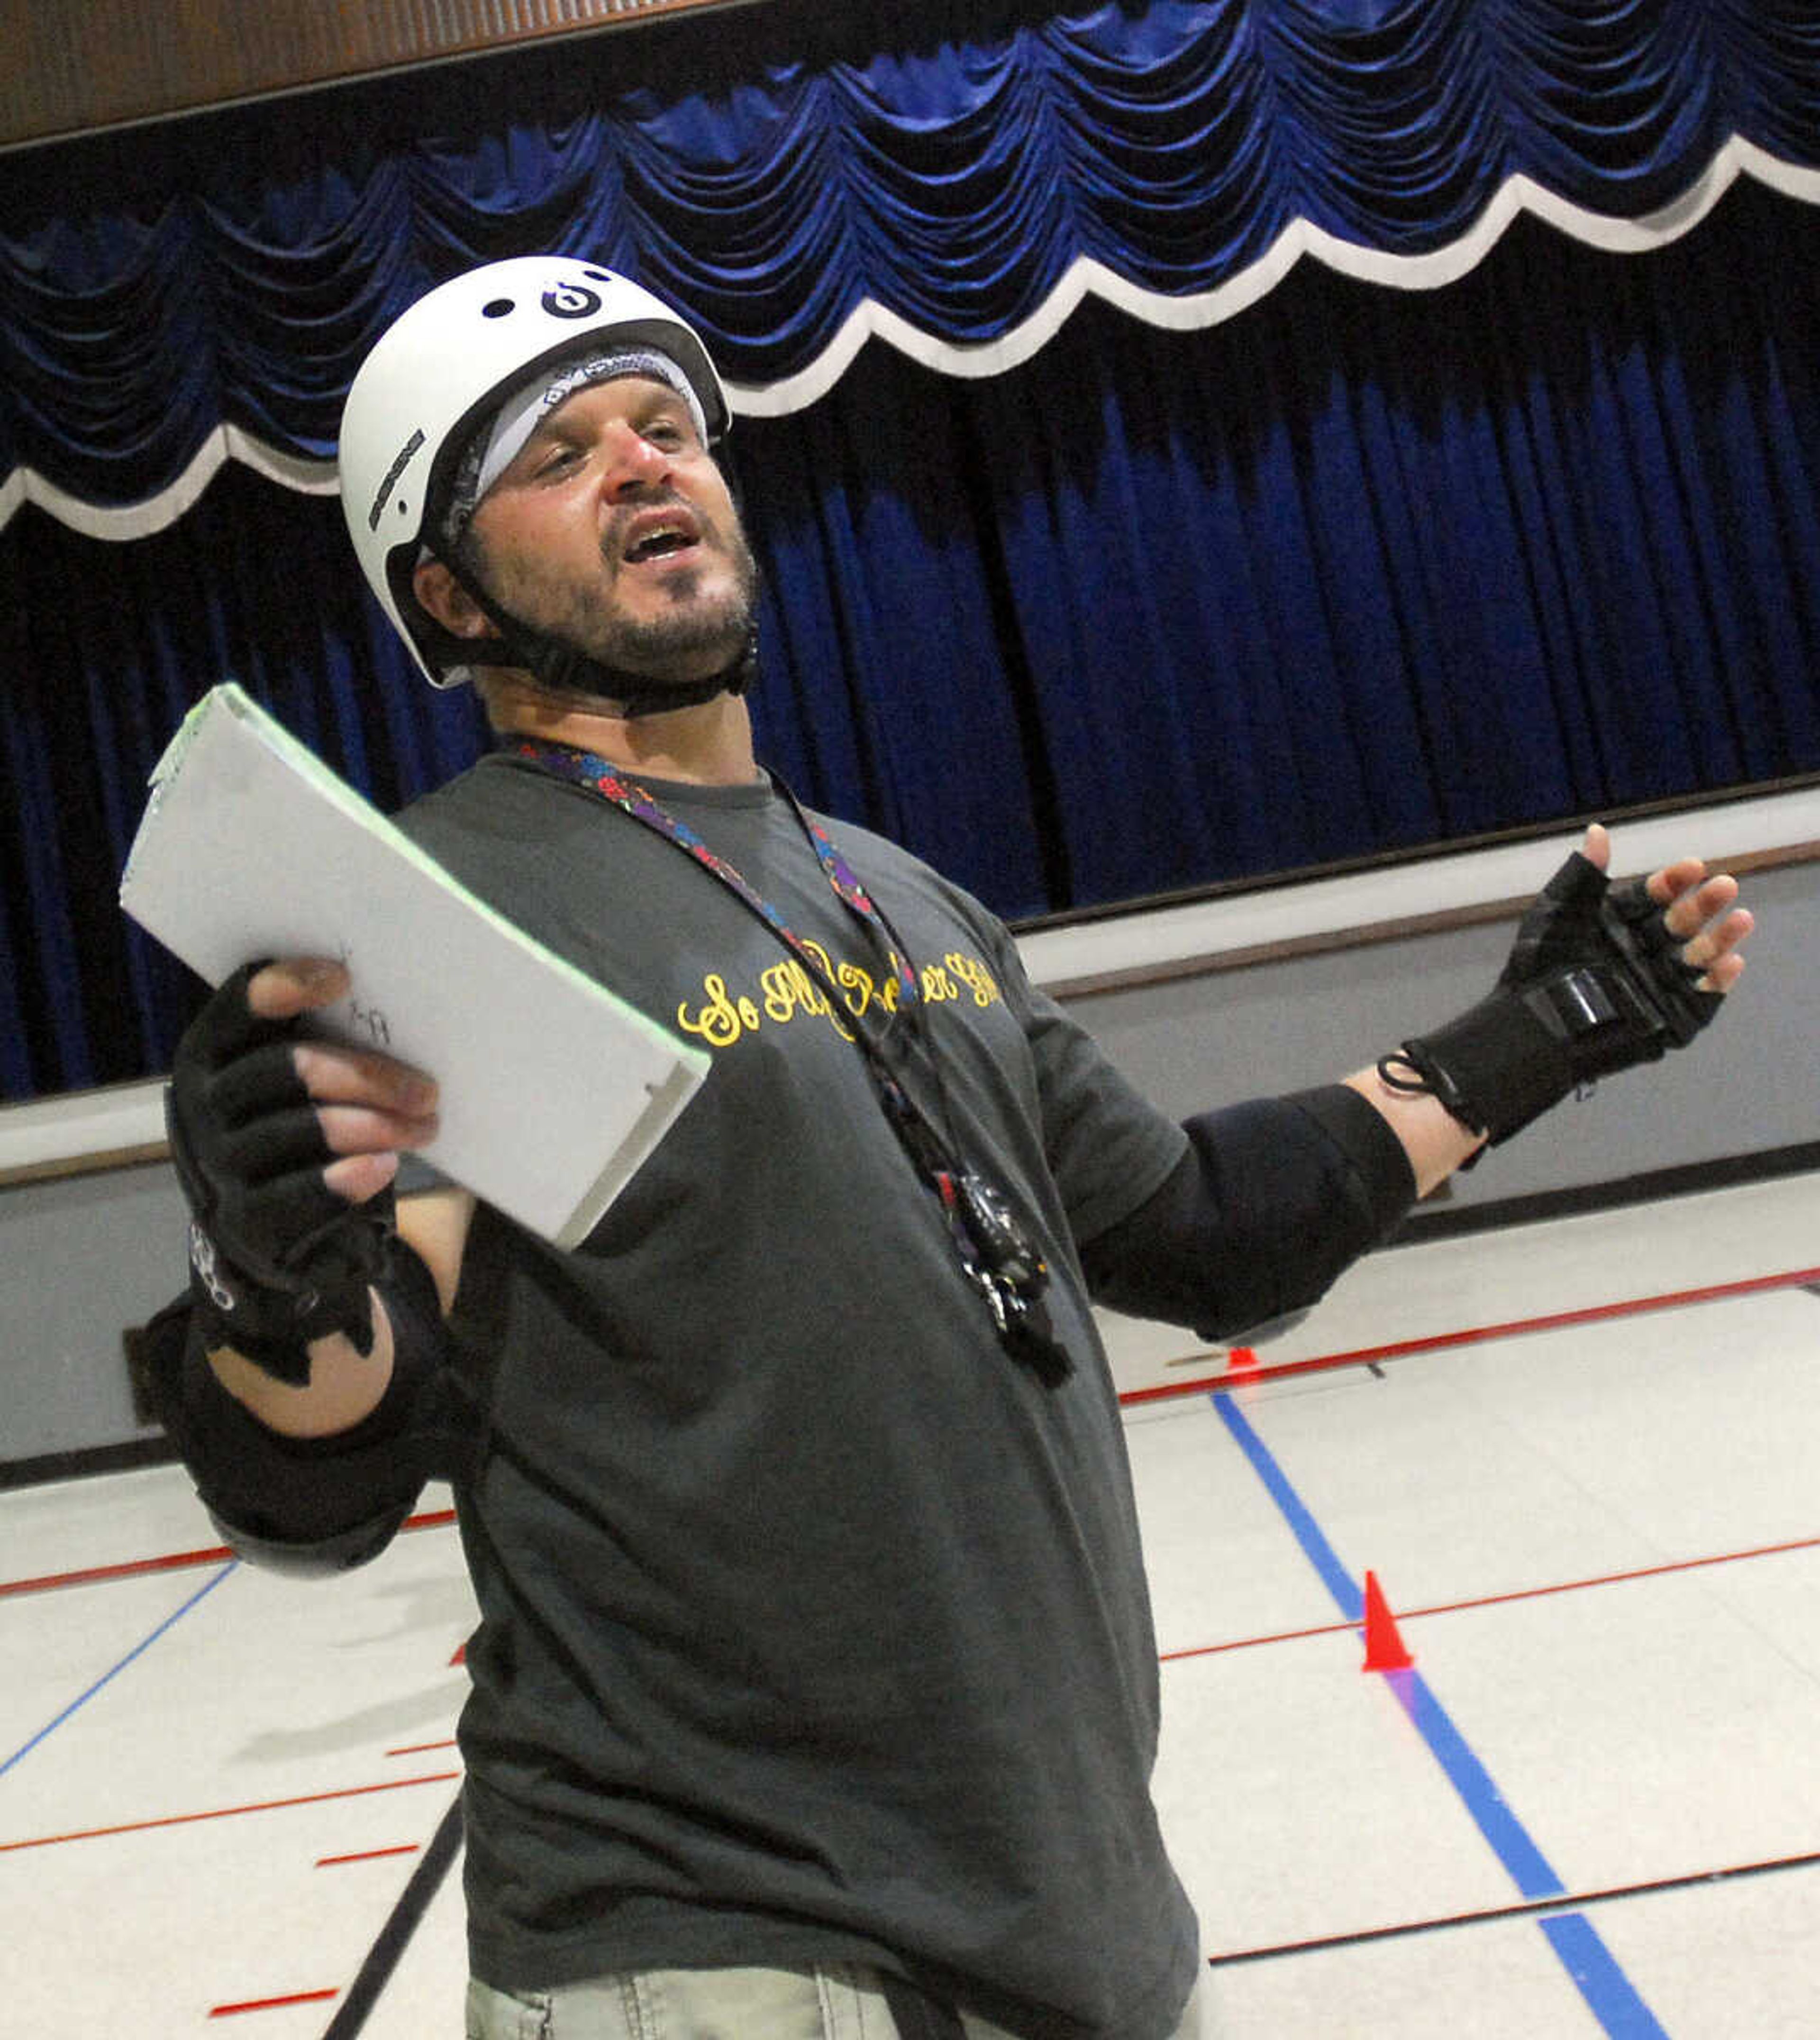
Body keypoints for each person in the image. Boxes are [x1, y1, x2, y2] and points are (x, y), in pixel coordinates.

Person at [144, 256, 1755, 2040]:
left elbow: (1209, 1231)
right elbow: (335, 1450)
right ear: (446, 595)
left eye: (665, 427)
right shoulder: (429, 926)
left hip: (1071, 1925)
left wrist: (1535, 1037)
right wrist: (268, 1280)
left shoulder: (896, 892)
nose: (643, 464)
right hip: (718, 1951)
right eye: (559, 453)